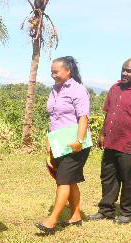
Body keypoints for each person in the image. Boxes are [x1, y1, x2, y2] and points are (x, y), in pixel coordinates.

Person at [88, 58, 131, 225]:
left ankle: (128, 212)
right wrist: (103, 134)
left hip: (130, 145)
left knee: (128, 179)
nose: (125, 73)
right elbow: (109, 113)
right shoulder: (115, 88)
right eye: (123, 69)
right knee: (107, 177)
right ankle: (106, 210)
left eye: (129, 71)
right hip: (111, 142)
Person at [35, 56, 91, 234]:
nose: (53, 75)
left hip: (75, 143)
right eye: (51, 71)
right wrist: (48, 140)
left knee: (64, 180)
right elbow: (53, 118)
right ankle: (75, 216)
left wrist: (79, 141)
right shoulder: (54, 90)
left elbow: (83, 117)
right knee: (70, 180)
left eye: (56, 71)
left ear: (68, 71)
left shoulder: (78, 90)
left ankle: (51, 221)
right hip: (58, 142)